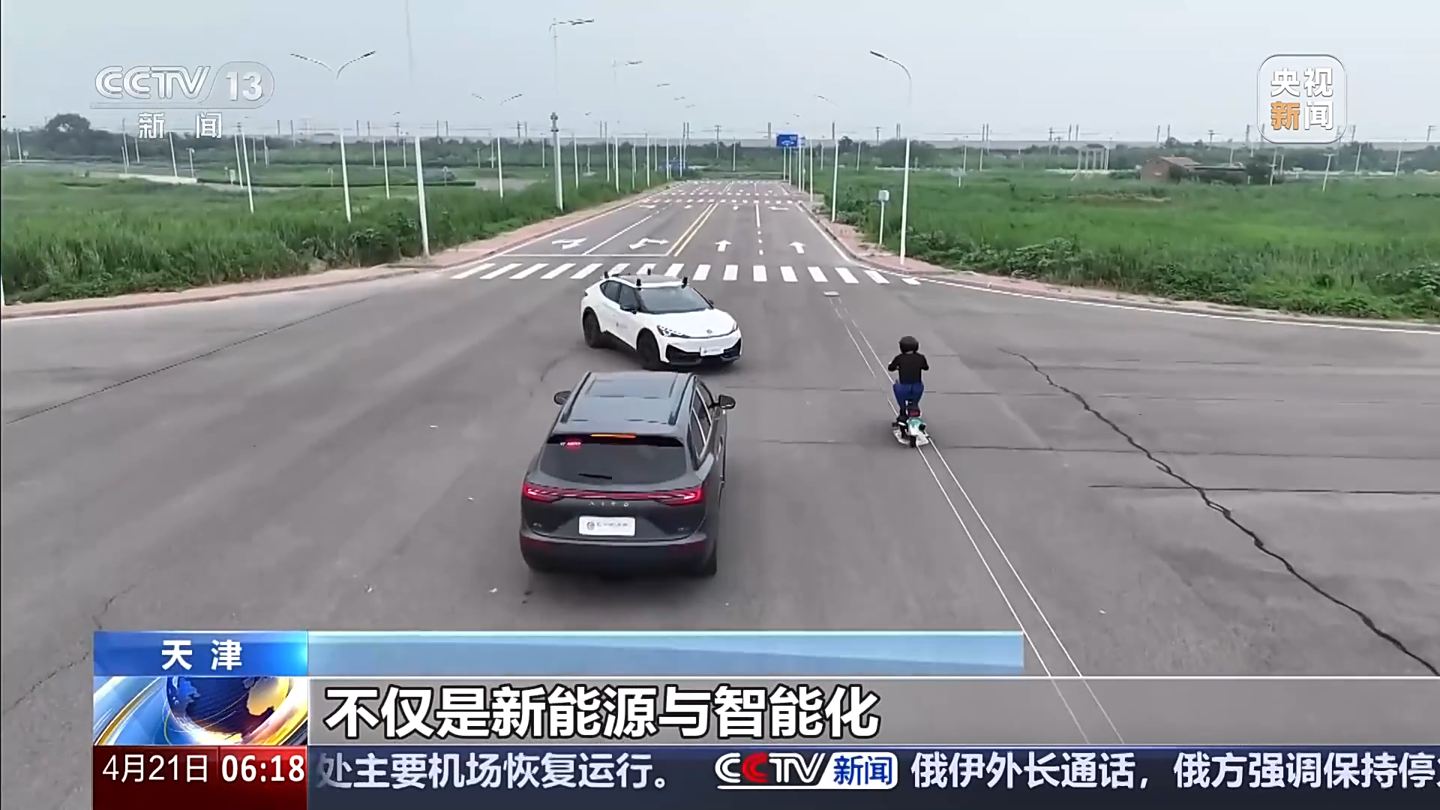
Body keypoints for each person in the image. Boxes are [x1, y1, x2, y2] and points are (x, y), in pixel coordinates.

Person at [888, 335, 929, 426]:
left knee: (896, 385)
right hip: (917, 386)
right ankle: (914, 406)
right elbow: (926, 367)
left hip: (903, 387)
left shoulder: (899, 358)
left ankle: (903, 412)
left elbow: (891, 368)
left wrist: (896, 366)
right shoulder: (921, 357)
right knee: (914, 402)